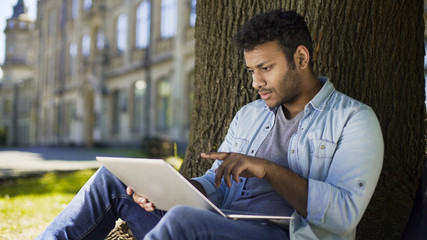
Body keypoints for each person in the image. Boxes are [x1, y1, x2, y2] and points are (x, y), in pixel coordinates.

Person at [37, 10, 383, 240]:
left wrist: (267, 170)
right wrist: (169, 190)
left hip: (279, 235)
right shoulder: (251, 115)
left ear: (301, 58)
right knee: (114, 180)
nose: (256, 82)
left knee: (183, 223)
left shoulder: (353, 120)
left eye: (266, 68)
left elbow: (343, 216)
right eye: (251, 71)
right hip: (218, 225)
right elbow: (218, 186)